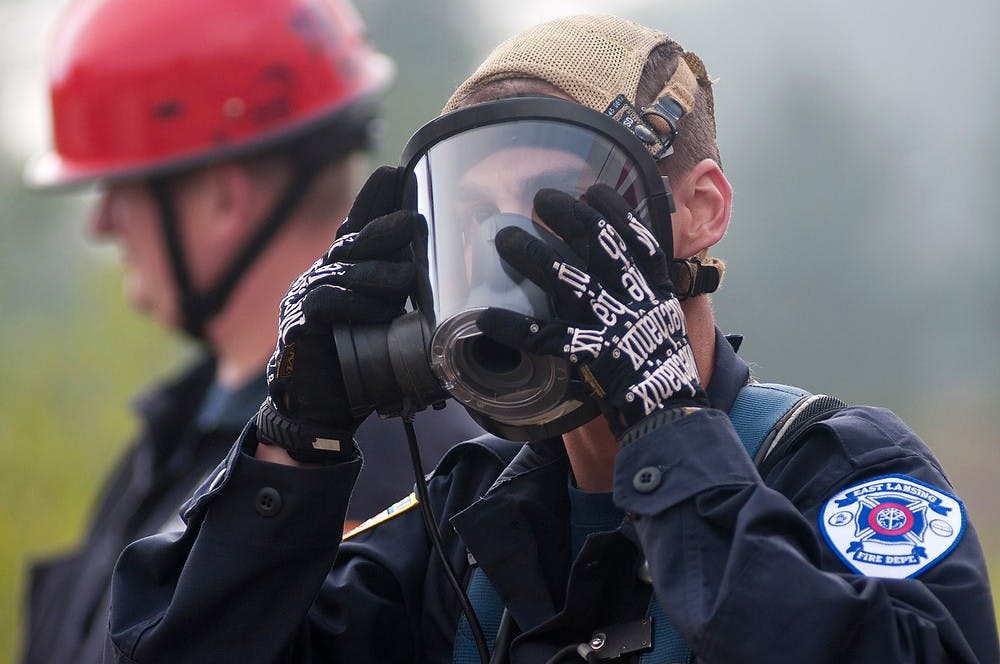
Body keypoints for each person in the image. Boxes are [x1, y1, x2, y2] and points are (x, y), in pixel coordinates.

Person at [104, 14, 999, 663]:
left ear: (699, 210)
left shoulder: (841, 476)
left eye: (548, 206)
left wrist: (668, 433)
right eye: (473, 219)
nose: (510, 256)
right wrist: (289, 447)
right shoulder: (458, 529)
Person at [20, 1, 481, 662]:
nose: (101, 224)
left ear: (222, 199)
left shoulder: (393, 462)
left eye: (121, 187)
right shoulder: (176, 432)